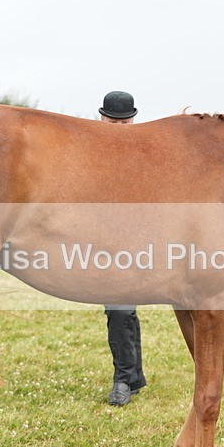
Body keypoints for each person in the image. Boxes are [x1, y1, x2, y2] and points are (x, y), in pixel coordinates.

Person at [98, 91, 146, 406]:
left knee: (121, 309)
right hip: (102, 239)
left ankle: (123, 381)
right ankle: (132, 377)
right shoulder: (89, 151)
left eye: (124, 121)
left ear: (133, 120)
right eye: (112, 121)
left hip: (138, 239)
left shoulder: (145, 151)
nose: (117, 127)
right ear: (101, 119)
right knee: (120, 311)